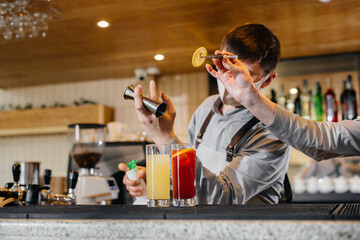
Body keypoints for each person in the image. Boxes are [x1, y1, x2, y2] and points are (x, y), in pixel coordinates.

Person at [119, 23, 291, 204]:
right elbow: (193, 185)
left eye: (246, 74)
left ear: (267, 80)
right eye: (227, 66)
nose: (230, 80)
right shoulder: (206, 108)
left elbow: (223, 199)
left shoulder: (273, 130)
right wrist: (155, 182)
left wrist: (164, 137)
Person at [207, 48, 360, 162]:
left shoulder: (266, 136)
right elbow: (326, 141)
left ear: (268, 80)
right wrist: (250, 98)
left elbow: (330, 139)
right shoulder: (207, 107)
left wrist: (251, 98)